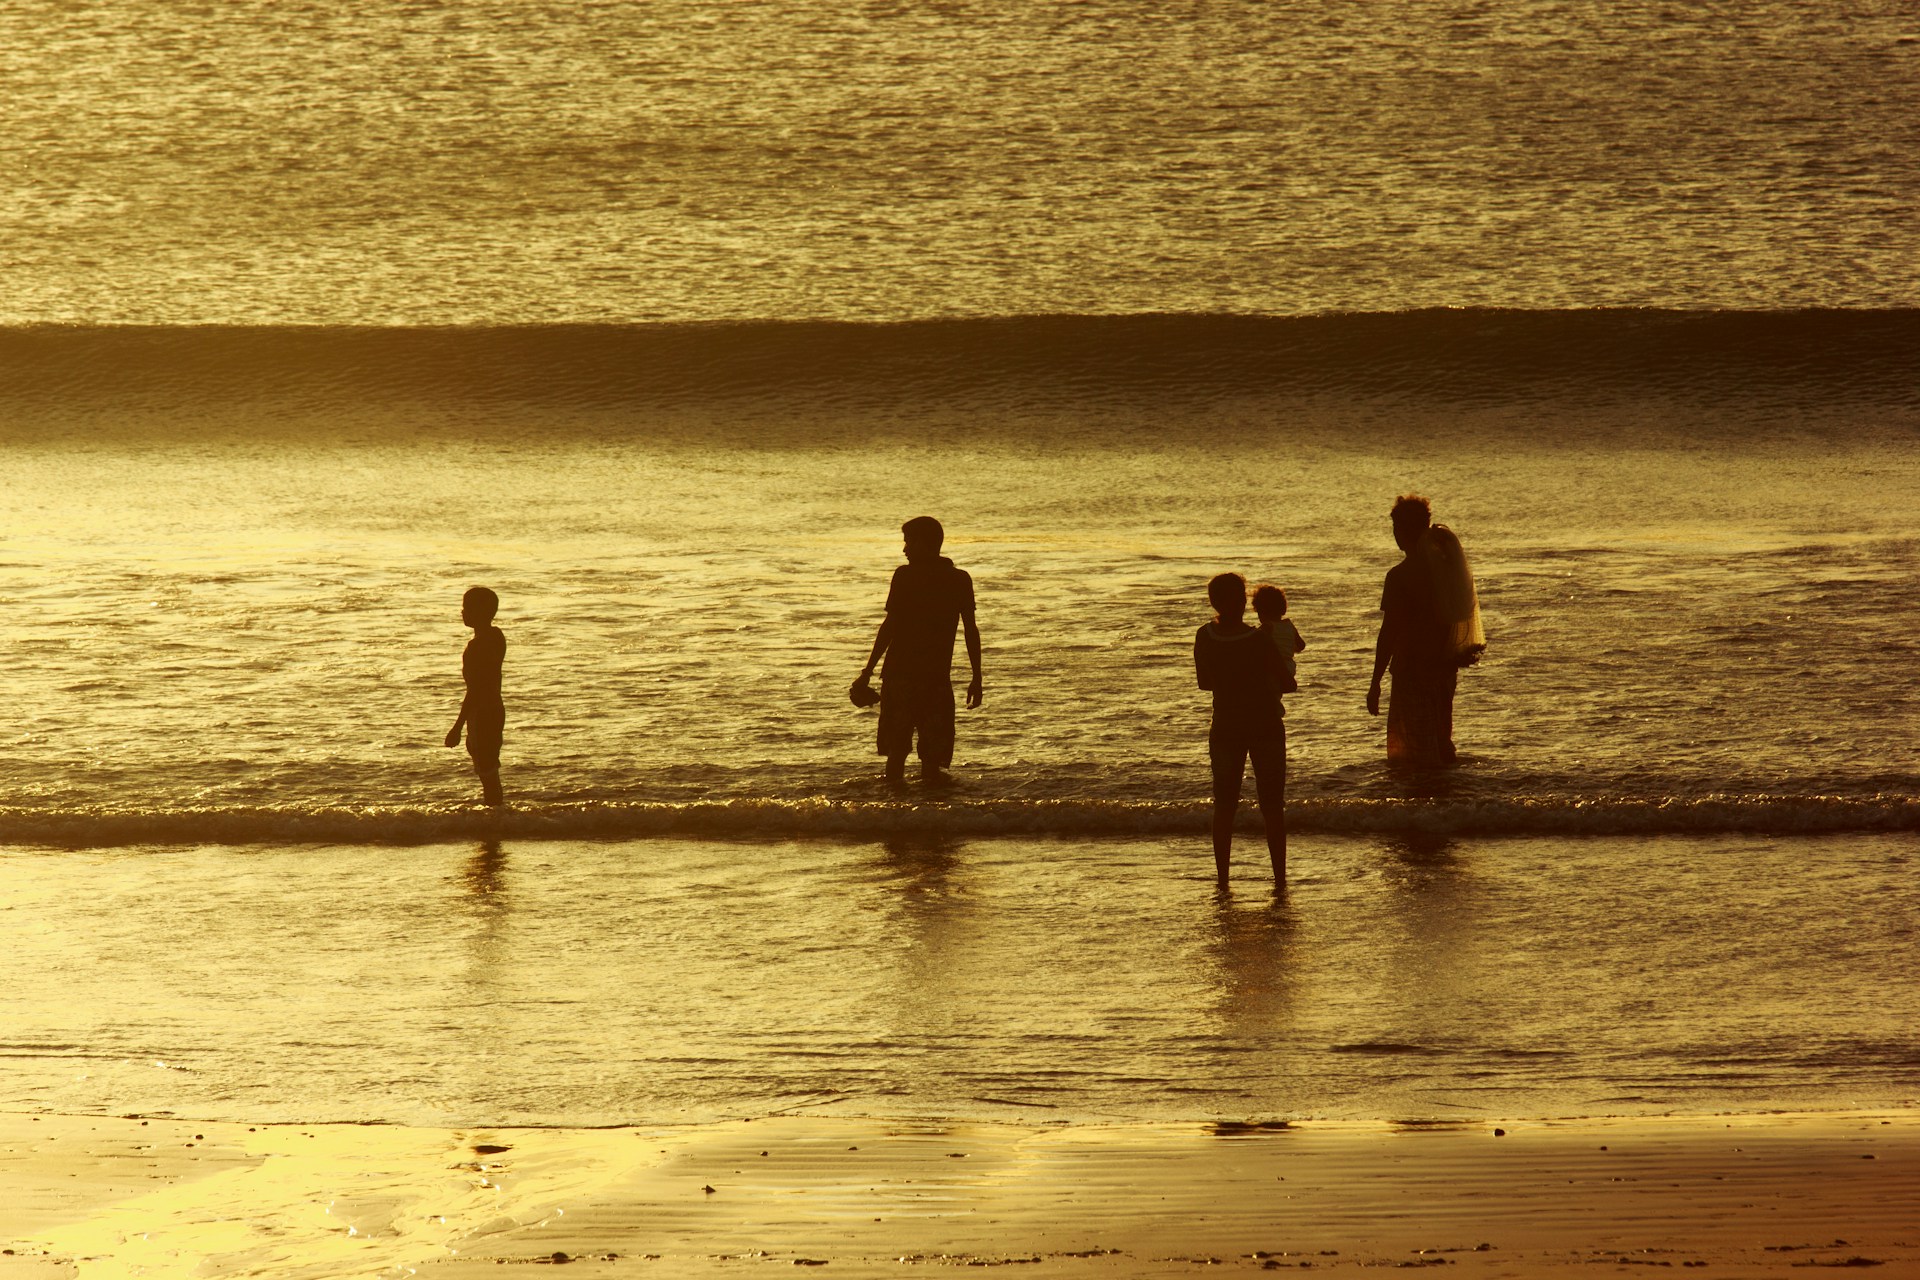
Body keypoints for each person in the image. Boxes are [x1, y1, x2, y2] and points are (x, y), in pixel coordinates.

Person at [854, 516, 983, 785]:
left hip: (902, 678)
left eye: (908, 542)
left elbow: (890, 626)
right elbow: (970, 629)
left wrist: (868, 671)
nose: (905, 549)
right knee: (932, 763)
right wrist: (977, 677)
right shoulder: (958, 579)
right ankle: (929, 819)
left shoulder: (906, 576)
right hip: (934, 680)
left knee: (896, 756)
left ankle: (896, 818)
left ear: (924, 543)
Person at [1366, 495, 1485, 767]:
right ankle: (1448, 804)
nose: (1394, 535)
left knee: (1414, 752)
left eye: (1396, 528)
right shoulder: (1446, 570)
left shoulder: (1400, 576)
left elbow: (1389, 632)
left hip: (1412, 670)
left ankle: (1421, 805)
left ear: (1404, 530)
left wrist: (1375, 683)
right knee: (1441, 741)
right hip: (1443, 670)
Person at [1194, 572, 1288, 888]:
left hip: (1225, 726)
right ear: (1244, 601)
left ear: (1213, 602)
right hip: (1265, 725)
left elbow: (1204, 682)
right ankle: (1279, 879)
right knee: (1272, 805)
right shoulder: (1260, 638)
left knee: (1224, 805)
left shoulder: (1204, 636)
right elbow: (1288, 682)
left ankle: (1223, 879)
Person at [445, 585, 507, 807]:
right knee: (489, 770)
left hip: (483, 714)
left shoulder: (477, 646)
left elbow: (475, 689)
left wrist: (457, 727)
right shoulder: (496, 636)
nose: (463, 612)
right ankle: (495, 821)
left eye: (467, 608)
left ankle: (495, 824)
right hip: (495, 710)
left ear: (480, 612)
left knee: (487, 772)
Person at [1250, 583, 1305, 698]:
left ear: (1260, 611)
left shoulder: (1266, 628)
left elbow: (1256, 647)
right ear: (1283, 609)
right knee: (1275, 695)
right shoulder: (1289, 625)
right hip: (1289, 668)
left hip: (1272, 669)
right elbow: (1301, 645)